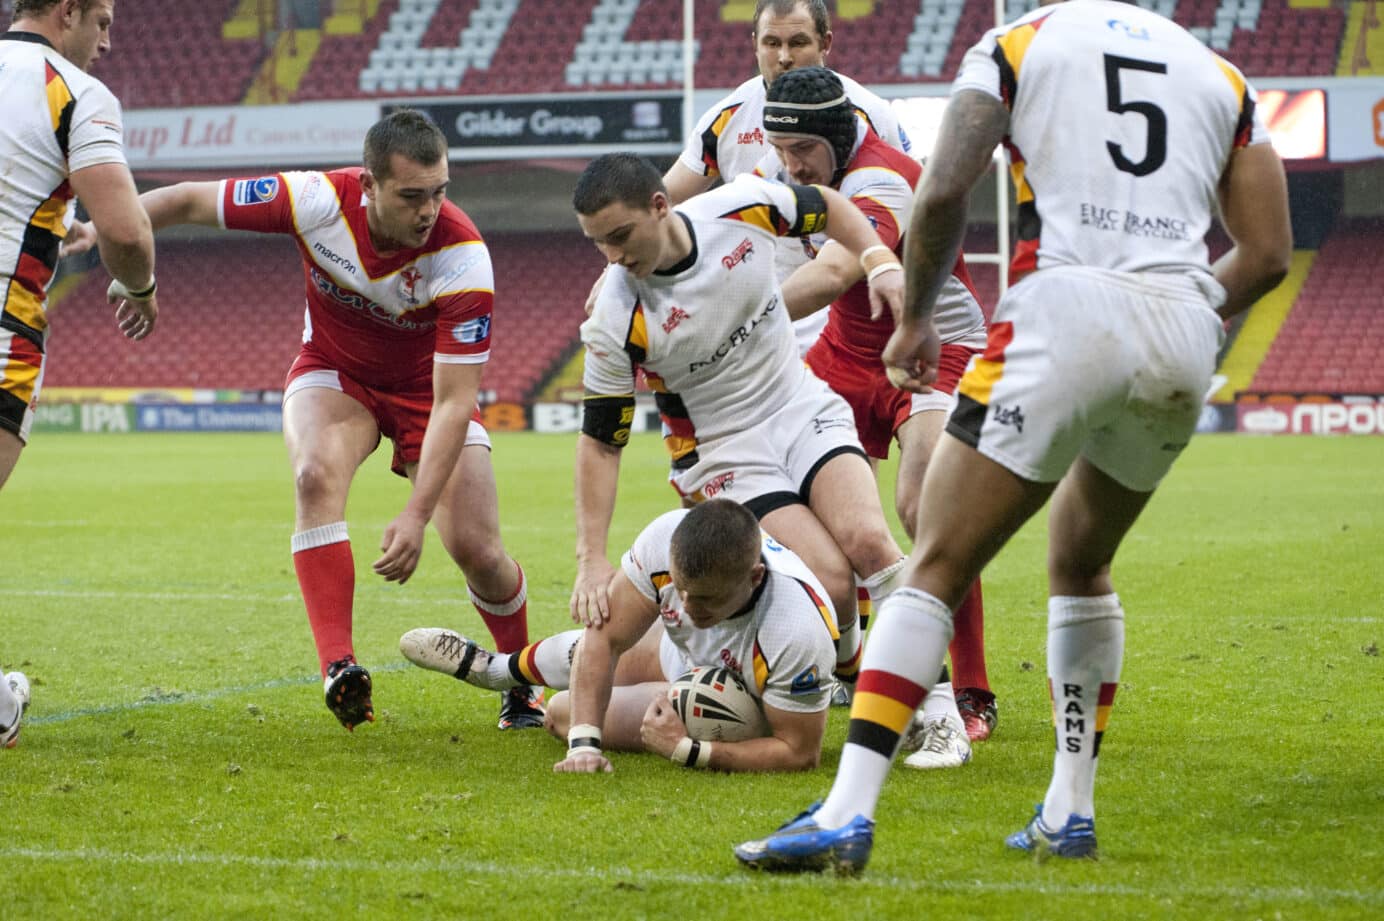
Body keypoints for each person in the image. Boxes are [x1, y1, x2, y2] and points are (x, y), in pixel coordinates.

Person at [735, 0, 1291, 873]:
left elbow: (947, 187)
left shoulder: (1018, 42)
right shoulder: (1218, 72)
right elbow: (1268, 254)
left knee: (936, 554)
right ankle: (1069, 808)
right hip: (1185, 330)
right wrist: (1173, 311)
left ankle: (846, 812)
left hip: (1062, 306)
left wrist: (915, 317)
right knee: (1082, 560)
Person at [68, 110, 544, 732]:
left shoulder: (463, 259)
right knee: (313, 477)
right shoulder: (316, 200)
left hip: (426, 392)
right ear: (368, 185)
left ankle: (520, 683)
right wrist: (102, 230)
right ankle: (339, 665)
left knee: (478, 550)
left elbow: (455, 401)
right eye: (411, 196)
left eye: (439, 192)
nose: (428, 211)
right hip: (334, 371)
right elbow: (185, 199)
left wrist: (416, 514)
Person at [571, 153, 971, 770]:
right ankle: (855, 676)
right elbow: (601, 443)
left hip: (800, 407)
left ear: (660, 206)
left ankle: (938, 715)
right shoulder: (616, 317)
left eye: (620, 236)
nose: (613, 257)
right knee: (834, 585)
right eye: (598, 244)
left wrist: (879, 261)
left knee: (871, 543)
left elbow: (831, 206)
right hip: (723, 456)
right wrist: (590, 558)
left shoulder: (740, 207)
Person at [757, 65, 999, 746]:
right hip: (844, 351)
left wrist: (733, 319)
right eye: (781, 151)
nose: (791, 165)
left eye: (802, 151)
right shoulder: (790, 168)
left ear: (836, 136)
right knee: (804, 504)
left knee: (927, 507)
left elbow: (838, 269)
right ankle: (853, 662)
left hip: (934, 345)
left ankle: (971, 690)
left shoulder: (879, 178)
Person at [400, 500, 839, 773]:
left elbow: (799, 753)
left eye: (703, 599)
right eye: (681, 590)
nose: (685, 607)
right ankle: (494, 671)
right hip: (683, 654)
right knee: (602, 648)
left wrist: (689, 751)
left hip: (739, 702)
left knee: (561, 713)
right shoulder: (666, 539)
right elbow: (604, 640)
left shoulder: (795, 631)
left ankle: (512, 679)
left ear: (754, 577)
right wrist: (584, 749)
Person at [1, 0, 158, 492]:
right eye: (102, 23)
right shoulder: (76, 92)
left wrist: (62, 224)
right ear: (68, 12)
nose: (106, 43)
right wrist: (141, 288)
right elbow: (126, 233)